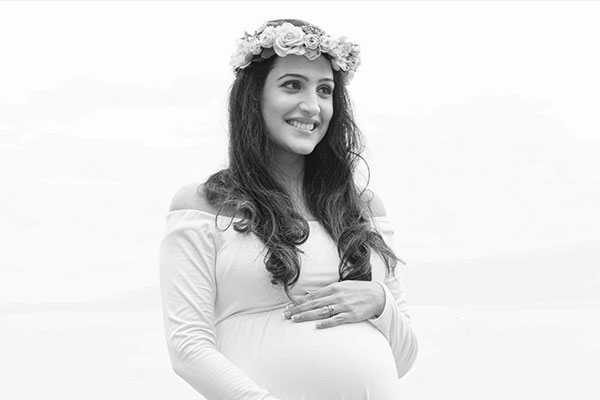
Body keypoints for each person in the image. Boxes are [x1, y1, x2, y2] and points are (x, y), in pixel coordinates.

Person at [159, 19, 418, 400]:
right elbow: (188, 348)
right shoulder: (202, 205)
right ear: (254, 97)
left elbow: (404, 355)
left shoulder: (363, 208)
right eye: (292, 85)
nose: (312, 106)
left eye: (325, 90)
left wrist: (380, 302)